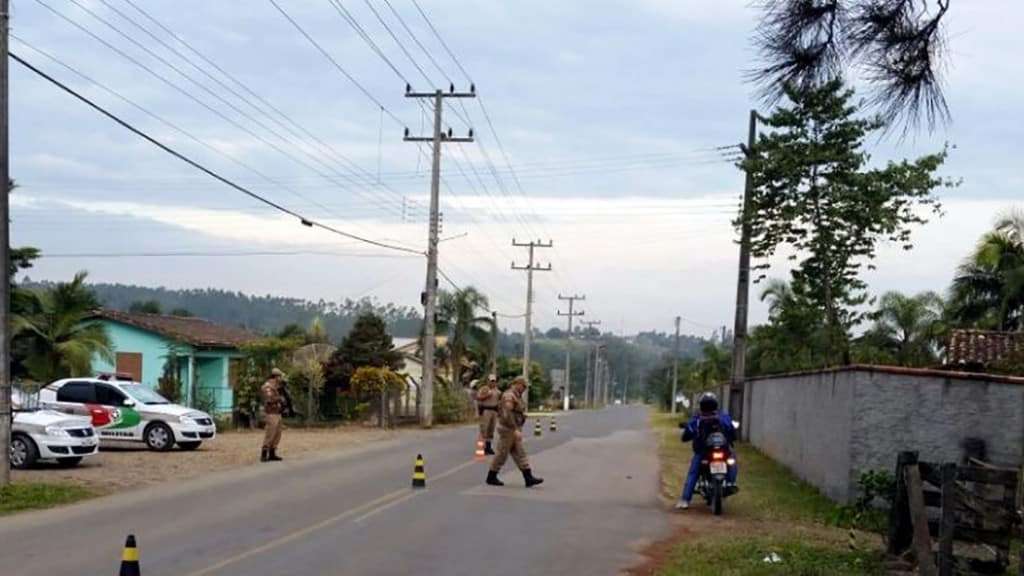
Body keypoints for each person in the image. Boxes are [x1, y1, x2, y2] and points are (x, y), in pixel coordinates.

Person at [675, 392, 737, 509]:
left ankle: (685, 499)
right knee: (732, 461)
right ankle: (730, 483)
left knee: (693, 472)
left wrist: (686, 432)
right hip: (722, 450)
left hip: (703, 452)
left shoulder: (697, 419)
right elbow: (731, 430)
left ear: (701, 405)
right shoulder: (723, 416)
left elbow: (688, 433)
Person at [485, 376, 543, 487]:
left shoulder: (516, 395)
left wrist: (521, 416)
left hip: (513, 429)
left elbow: (516, 411)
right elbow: (507, 413)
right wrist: (515, 428)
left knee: (520, 453)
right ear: (518, 384)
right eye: (524, 386)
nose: (525, 389)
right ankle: (491, 476)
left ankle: (528, 477)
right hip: (508, 429)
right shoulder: (509, 395)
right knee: (502, 453)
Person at [260, 368, 288, 462]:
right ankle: (264, 453)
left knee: (277, 433)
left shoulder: (277, 386)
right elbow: (269, 399)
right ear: (276, 377)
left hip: (277, 412)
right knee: (270, 433)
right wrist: (280, 398)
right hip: (271, 413)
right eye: (280, 377)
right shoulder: (268, 386)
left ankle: (272, 453)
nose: (281, 379)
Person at [476, 374, 501, 455]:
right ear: (488, 381)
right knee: (484, 429)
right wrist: (486, 395)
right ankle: (481, 448)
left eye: (494, 381)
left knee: (491, 430)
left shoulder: (497, 391)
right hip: (486, 410)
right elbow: (478, 398)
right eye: (491, 381)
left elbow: (499, 401)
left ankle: (488, 447)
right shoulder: (484, 389)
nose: (493, 383)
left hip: (494, 411)